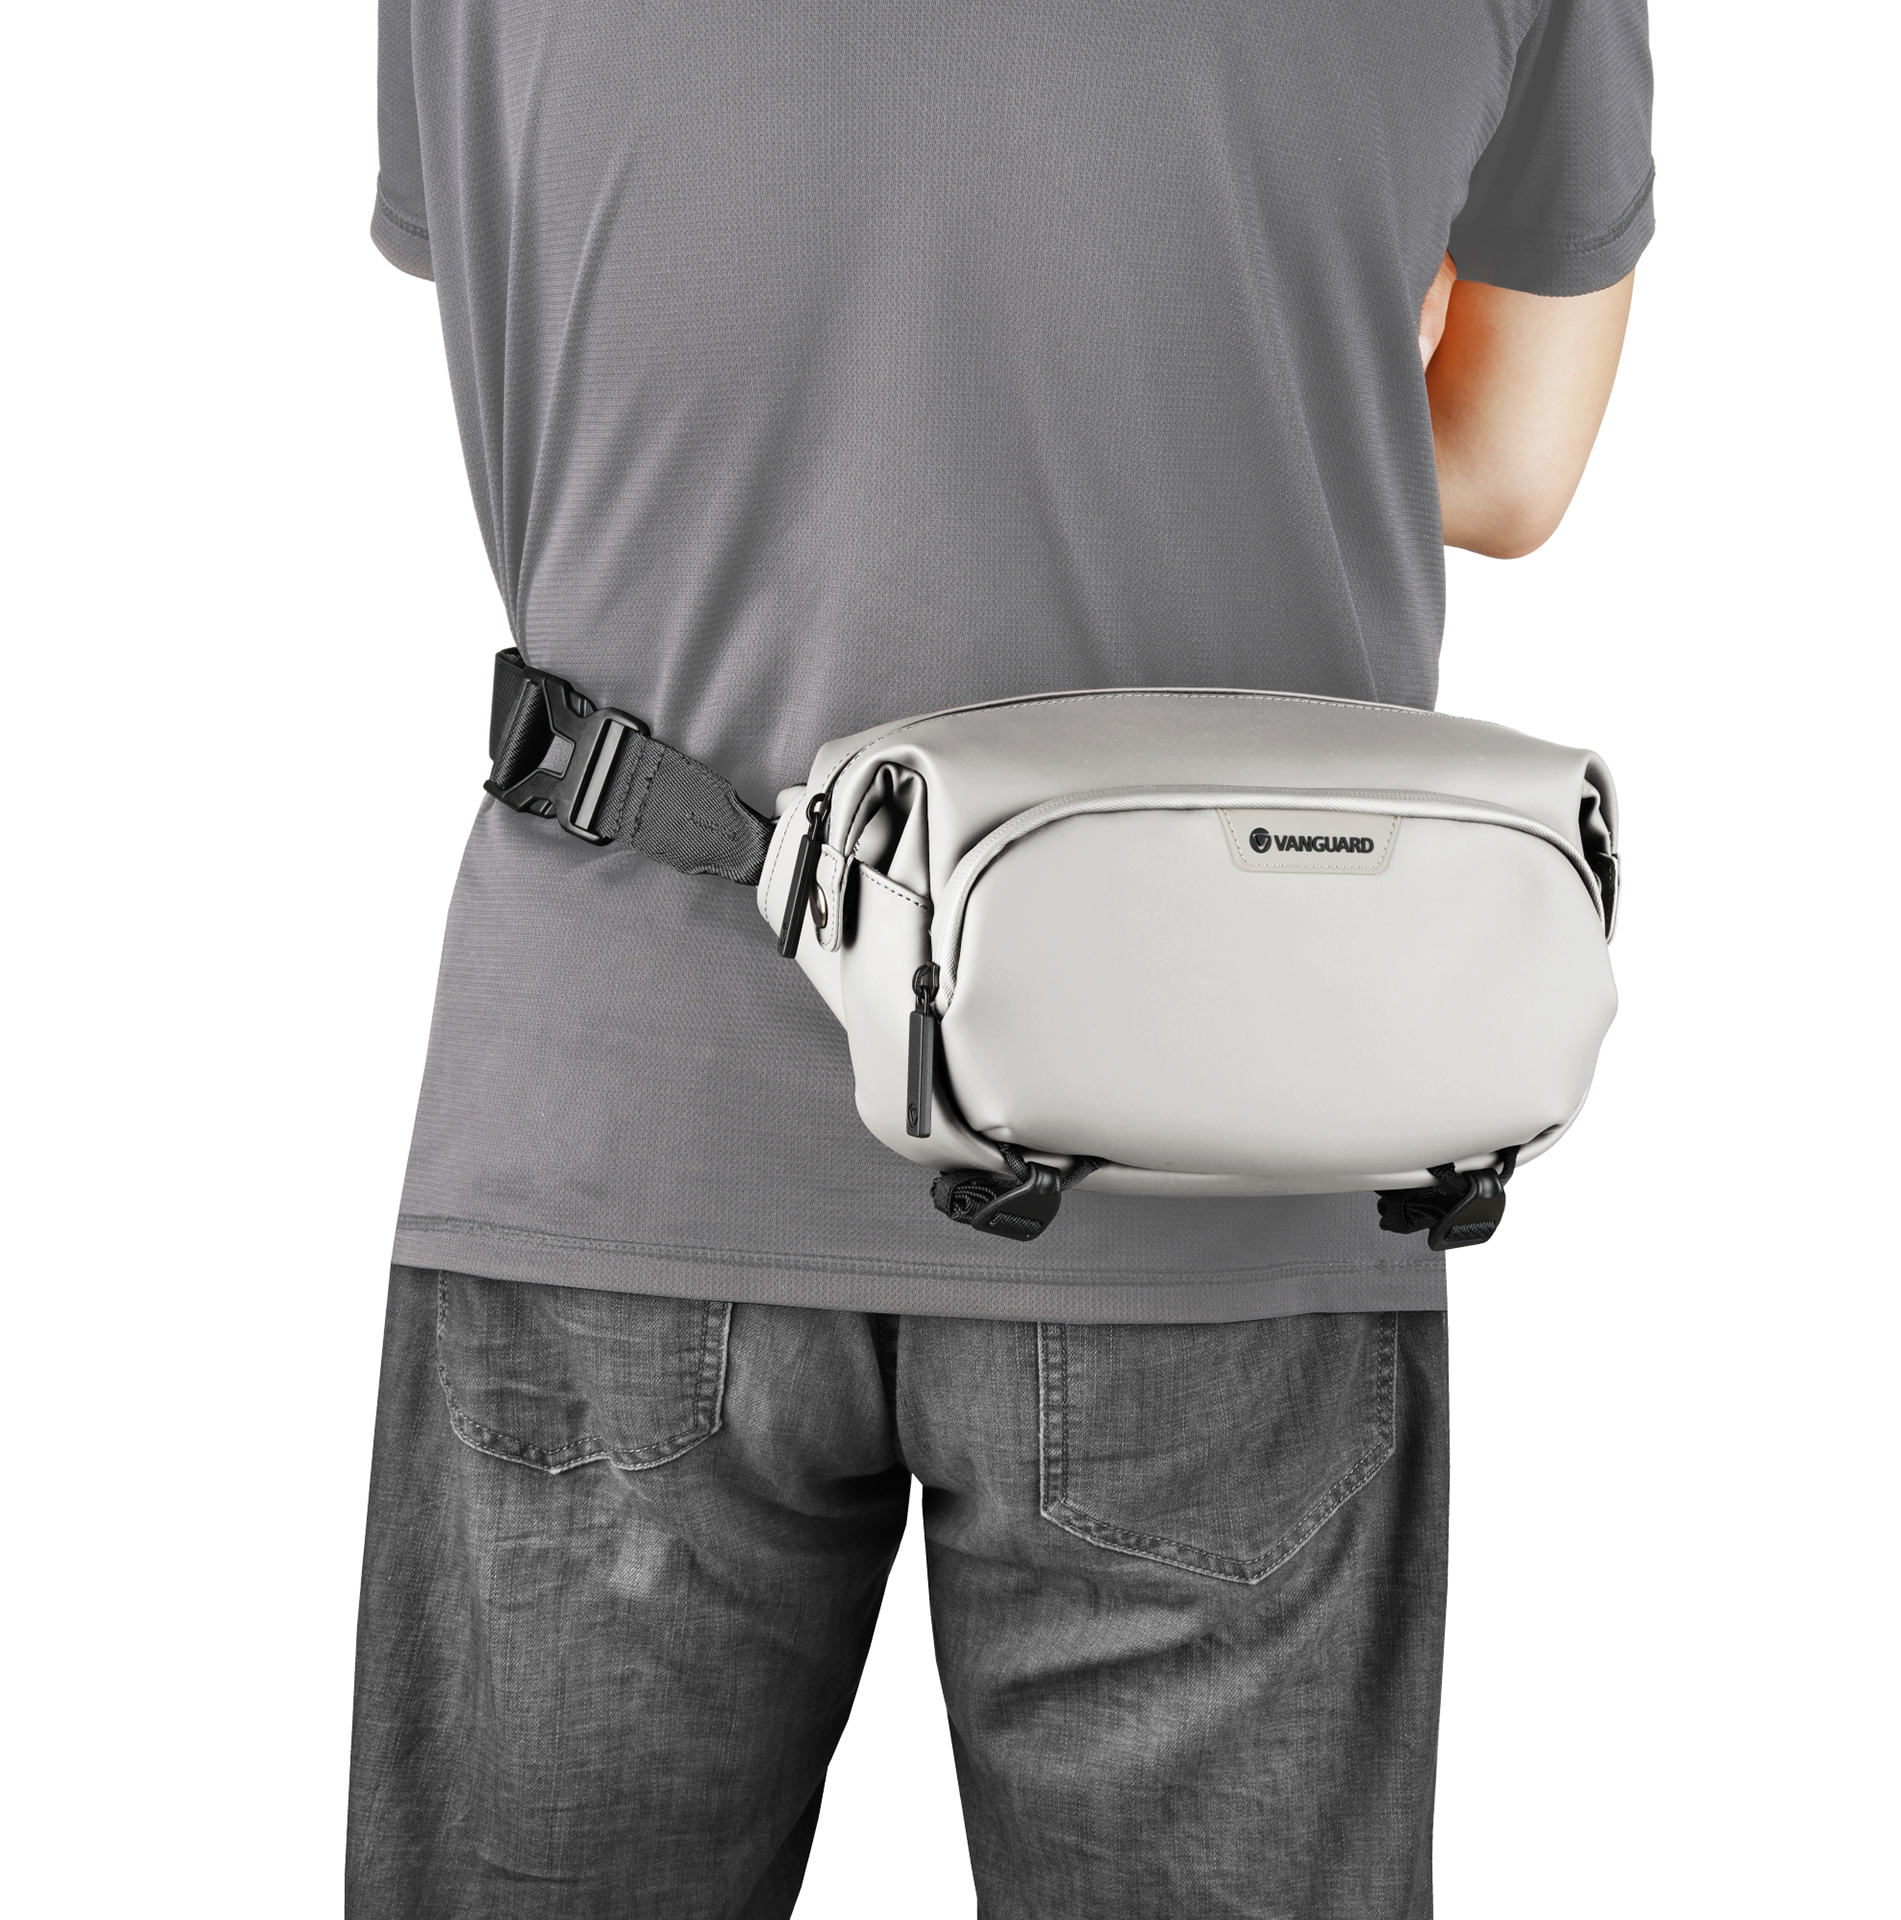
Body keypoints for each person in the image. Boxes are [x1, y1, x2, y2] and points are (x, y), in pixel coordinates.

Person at [350, 1, 1652, 1912]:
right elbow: (1511, 464)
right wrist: (1290, 347)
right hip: (1219, 1140)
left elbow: (557, 324)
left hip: (619, 1114)